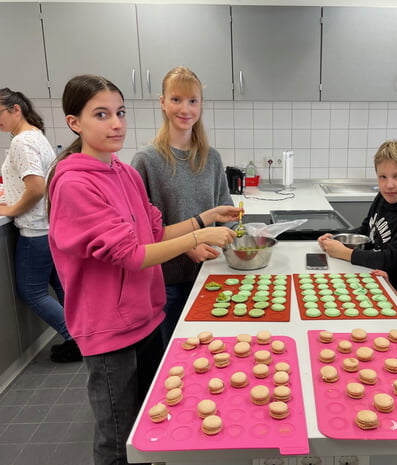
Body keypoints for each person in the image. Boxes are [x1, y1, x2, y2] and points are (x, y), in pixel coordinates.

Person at [46, 74, 239, 465]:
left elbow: (153, 232)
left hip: (146, 317)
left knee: (152, 420)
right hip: (109, 329)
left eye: (119, 112)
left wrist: (204, 219)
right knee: (118, 437)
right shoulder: (74, 185)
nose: (116, 123)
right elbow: (132, 254)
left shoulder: (124, 174)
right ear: (74, 122)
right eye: (101, 114)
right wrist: (193, 241)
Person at [131, 66, 234, 344]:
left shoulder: (211, 158)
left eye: (193, 101)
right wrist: (189, 246)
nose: (185, 108)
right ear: (162, 103)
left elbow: (225, 207)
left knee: (214, 350)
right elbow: (143, 229)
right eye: (176, 99)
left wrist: (240, 235)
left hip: (213, 273)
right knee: (177, 354)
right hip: (169, 280)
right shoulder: (146, 160)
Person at [0, 88, 81, 363]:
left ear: (16, 109)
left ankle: (75, 339)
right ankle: (81, 334)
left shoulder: (22, 142)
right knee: (60, 287)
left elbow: (36, 188)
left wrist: (12, 209)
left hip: (35, 230)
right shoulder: (35, 135)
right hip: (49, 227)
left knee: (32, 291)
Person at [318, 140, 397, 292]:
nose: (389, 185)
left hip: (392, 291)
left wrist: (345, 253)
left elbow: (388, 261)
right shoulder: (383, 197)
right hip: (368, 279)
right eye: (382, 177)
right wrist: (336, 238)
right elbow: (366, 230)